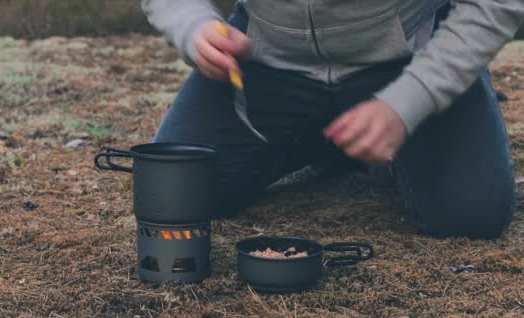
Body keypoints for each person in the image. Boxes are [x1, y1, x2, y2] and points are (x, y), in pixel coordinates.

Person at [141, 0, 524, 239]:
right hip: (266, 57)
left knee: (471, 215)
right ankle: (327, 140)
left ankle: (383, 138)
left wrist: (411, 99)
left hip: (410, 56)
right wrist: (193, 24)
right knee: (176, 196)